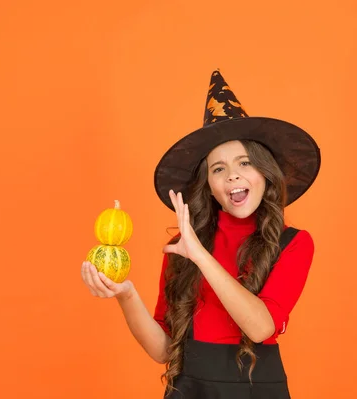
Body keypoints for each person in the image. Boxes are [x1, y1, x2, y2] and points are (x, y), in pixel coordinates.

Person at [80, 70, 321, 398]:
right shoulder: (184, 248)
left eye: (245, 163)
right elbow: (163, 350)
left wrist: (201, 257)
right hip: (190, 389)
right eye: (218, 169)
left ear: (265, 173)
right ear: (208, 186)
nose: (232, 176)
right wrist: (125, 295)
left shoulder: (293, 243)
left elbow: (260, 326)